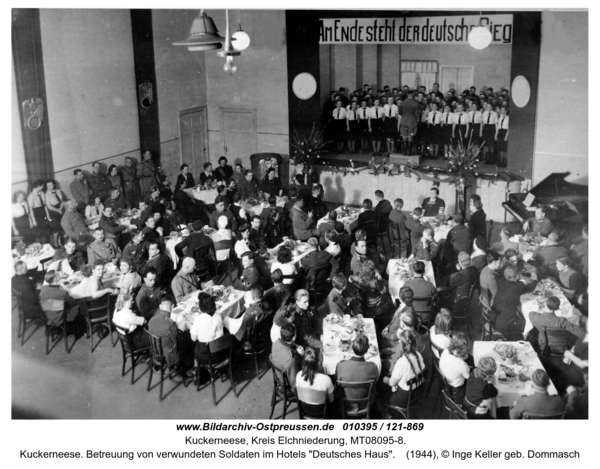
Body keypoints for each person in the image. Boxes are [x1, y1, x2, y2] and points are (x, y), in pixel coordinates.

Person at [492, 265, 537, 341]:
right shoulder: (518, 287)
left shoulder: (501, 282)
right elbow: (531, 287)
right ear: (516, 275)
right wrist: (535, 279)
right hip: (505, 324)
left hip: (494, 318)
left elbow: (514, 282)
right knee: (529, 324)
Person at [335, 334, 379, 411]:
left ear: (352, 347)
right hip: (365, 404)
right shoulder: (373, 367)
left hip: (345, 403)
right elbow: (375, 383)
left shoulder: (341, 365)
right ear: (367, 349)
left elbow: (336, 381)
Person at [384, 330, 425, 408]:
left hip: (404, 398)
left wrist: (385, 380)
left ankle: (388, 412)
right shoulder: (419, 355)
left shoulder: (401, 362)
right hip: (417, 393)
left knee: (382, 384)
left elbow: (392, 383)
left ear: (401, 346)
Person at [350, 261, 394, 327]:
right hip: (377, 305)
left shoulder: (355, 277)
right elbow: (383, 291)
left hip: (364, 303)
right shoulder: (374, 282)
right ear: (370, 272)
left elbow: (350, 279)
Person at [147, 295, 182, 370]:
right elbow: (177, 339)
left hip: (155, 351)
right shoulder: (170, 324)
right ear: (172, 307)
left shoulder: (151, 319)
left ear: (160, 306)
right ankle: (189, 368)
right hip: (168, 355)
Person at [190, 292, 225, 365]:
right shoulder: (218, 315)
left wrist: (190, 326)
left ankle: (196, 369)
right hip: (221, 352)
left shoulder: (199, 319)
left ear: (200, 307)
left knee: (195, 346)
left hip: (207, 356)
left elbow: (193, 338)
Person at [443, 252, 479, 321]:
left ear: (459, 262)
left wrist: (459, 270)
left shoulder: (461, 274)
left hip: (459, 300)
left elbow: (448, 284)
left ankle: (447, 319)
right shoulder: (475, 269)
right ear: (470, 261)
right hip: (467, 296)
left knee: (442, 297)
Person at [439, 332, 470, 404]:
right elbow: (468, 377)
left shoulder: (445, 351)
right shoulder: (462, 365)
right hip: (458, 391)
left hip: (447, 384)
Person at [271, 323, 304, 389]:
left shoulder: (276, 342)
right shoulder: (291, 359)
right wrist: (302, 356)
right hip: (287, 385)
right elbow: (295, 385)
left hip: (280, 375)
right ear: (294, 337)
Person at [44, 179, 66, 244]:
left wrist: (61, 208)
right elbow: (49, 206)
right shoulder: (46, 194)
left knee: (61, 228)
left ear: (54, 184)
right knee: (56, 229)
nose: (49, 187)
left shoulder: (58, 191)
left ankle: (60, 243)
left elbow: (61, 201)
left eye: (50, 185)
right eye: (47, 186)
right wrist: (58, 210)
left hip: (60, 209)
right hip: (52, 212)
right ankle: (56, 245)